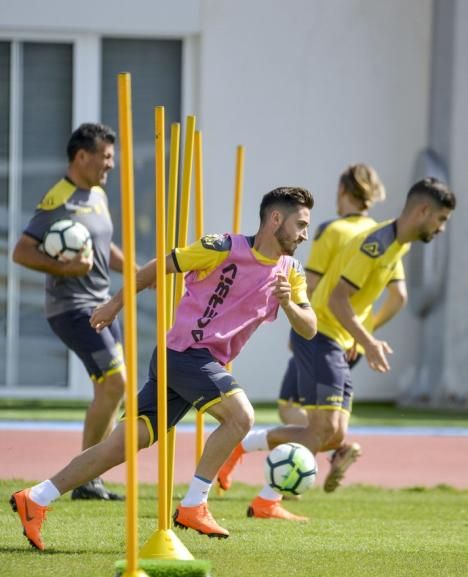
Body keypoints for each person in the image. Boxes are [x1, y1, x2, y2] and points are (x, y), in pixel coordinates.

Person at [9, 186, 317, 549]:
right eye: (300, 224)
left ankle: (37, 498)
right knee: (241, 417)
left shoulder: (292, 271)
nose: (304, 234)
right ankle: (193, 505)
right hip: (185, 353)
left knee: (119, 446)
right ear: (276, 219)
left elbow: (309, 327)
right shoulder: (221, 247)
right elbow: (159, 267)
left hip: (195, 363)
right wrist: (113, 306)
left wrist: (289, 305)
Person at [217, 177, 456, 517]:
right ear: (423, 211)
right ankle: (266, 500)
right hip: (321, 336)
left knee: (332, 435)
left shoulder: (398, 243)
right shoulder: (377, 242)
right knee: (323, 429)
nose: (442, 228)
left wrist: (362, 336)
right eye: (442, 219)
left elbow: (395, 297)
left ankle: (241, 448)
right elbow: (337, 298)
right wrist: (368, 340)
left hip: (337, 340)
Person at [12, 123, 126, 501]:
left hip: (102, 303)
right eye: (106, 158)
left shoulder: (97, 194)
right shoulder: (58, 198)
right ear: (82, 156)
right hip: (73, 309)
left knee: (111, 392)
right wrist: (65, 269)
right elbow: (22, 251)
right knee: (115, 384)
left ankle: (88, 480)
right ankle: (83, 478)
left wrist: (142, 275)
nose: (111, 165)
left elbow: (102, 245)